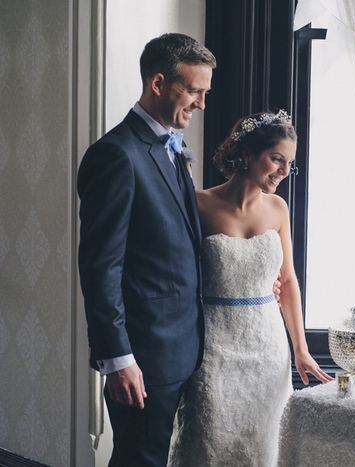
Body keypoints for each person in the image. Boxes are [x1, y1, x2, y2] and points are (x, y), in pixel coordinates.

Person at [77, 33, 216, 466]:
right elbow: (101, 268)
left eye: (205, 93)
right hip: (143, 358)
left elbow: (177, 245)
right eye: (193, 91)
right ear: (158, 83)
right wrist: (119, 359)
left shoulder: (171, 148)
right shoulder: (116, 156)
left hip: (181, 350)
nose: (201, 104)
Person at [168, 110, 333, 466]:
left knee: (262, 450)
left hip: (269, 352)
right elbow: (174, 275)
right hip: (213, 351)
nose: (284, 171)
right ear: (245, 153)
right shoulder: (197, 204)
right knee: (207, 442)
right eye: (277, 159)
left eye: (290, 163)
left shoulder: (278, 208)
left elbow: (287, 282)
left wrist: (301, 350)